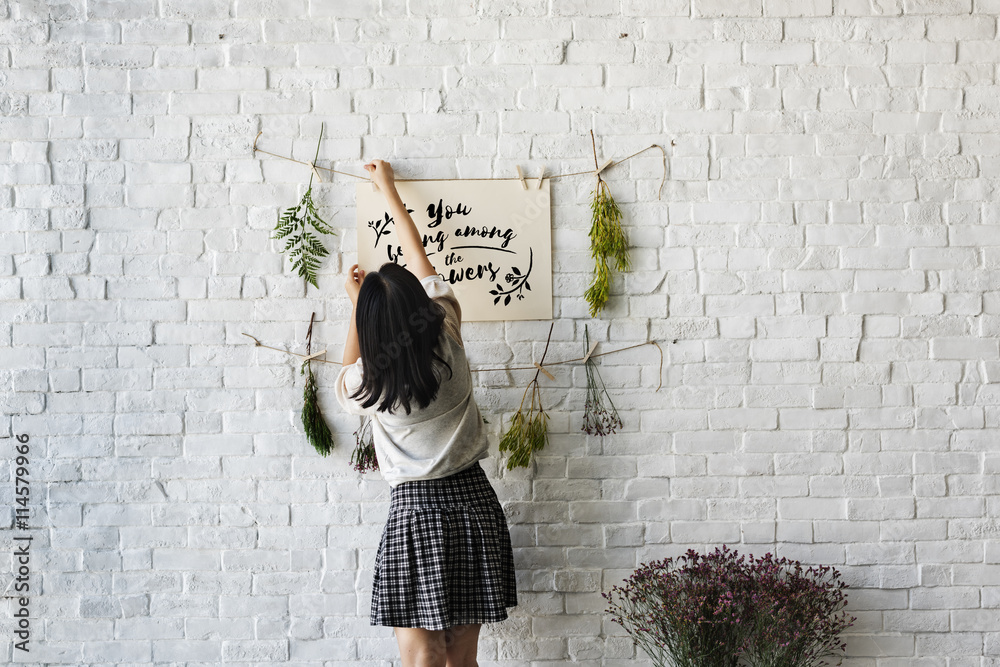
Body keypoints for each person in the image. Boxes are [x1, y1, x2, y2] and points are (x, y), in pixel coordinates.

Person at [335, 159, 518, 667]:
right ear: (421, 306)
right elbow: (422, 261)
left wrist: (355, 307)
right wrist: (388, 189)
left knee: (422, 661)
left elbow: (346, 371)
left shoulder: (369, 382)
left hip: (415, 516)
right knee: (461, 660)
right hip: (473, 505)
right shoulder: (449, 337)